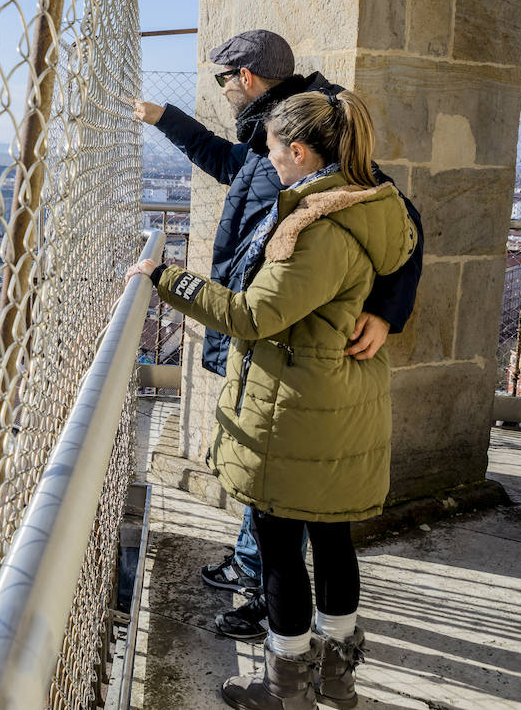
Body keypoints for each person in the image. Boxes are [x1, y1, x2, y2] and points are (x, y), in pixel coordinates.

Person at [128, 89, 417, 710]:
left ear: (299, 149)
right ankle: (338, 682)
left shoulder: (318, 227)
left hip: (296, 408)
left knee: (282, 549)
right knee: (333, 540)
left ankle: (286, 690)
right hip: (339, 401)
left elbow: (253, 314)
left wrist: (163, 280)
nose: (269, 164)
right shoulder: (377, 202)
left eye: (273, 153)